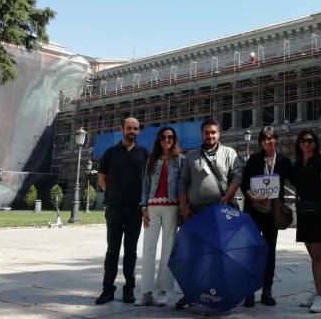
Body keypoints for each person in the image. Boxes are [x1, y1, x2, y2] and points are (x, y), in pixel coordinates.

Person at [175, 117, 243, 309]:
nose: (210, 135)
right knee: (194, 256)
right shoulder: (191, 156)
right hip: (195, 213)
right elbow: (182, 183)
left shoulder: (229, 153)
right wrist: (183, 207)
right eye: (207, 132)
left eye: (213, 132)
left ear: (219, 133)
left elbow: (237, 175)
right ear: (202, 134)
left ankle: (234, 292)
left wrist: (228, 196)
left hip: (221, 212)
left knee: (224, 256)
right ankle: (190, 294)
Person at [95, 117, 148, 305]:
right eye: (128, 128)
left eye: (135, 128)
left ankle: (129, 290)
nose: (131, 131)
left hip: (135, 209)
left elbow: (148, 181)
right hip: (115, 207)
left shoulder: (144, 153)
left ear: (138, 131)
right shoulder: (110, 153)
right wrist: (110, 193)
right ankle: (107, 289)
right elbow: (102, 176)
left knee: (131, 251)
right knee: (112, 250)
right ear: (122, 129)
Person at [240, 125, 295, 307]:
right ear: (261, 142)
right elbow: (245, 183)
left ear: (275, 140)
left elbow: (296, 180)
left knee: (269, 252)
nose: (267, 141)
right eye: (264, 139)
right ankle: (248, 291)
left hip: (273, 213)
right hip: (255, 210)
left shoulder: (284, 161)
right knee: (252, 251)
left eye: (270, 138)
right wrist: (251, 195)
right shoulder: (255, 159)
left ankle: (267, 291)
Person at [135, 126, 183, 307]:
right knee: (148, 248)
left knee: (168, 249)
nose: (166, 140)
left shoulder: (180, 160)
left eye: (170, 137)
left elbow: (182, 185)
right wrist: (144, 207)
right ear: (159, 140)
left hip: (172, 207)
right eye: (163, 137)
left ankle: (162, 290)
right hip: (153, 207)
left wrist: (182, 206)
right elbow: (145, 186)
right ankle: (146, 292)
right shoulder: (152, 160)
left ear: (174, 139)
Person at [293, 129, 321, 313]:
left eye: (309, 141)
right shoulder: (299, 163)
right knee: (312, 256)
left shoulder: (320, 162)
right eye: (302, 141)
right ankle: (318, 292)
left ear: (315, 143)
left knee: (318, 256)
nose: (306, 144)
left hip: (317, 213)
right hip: (304, 213)